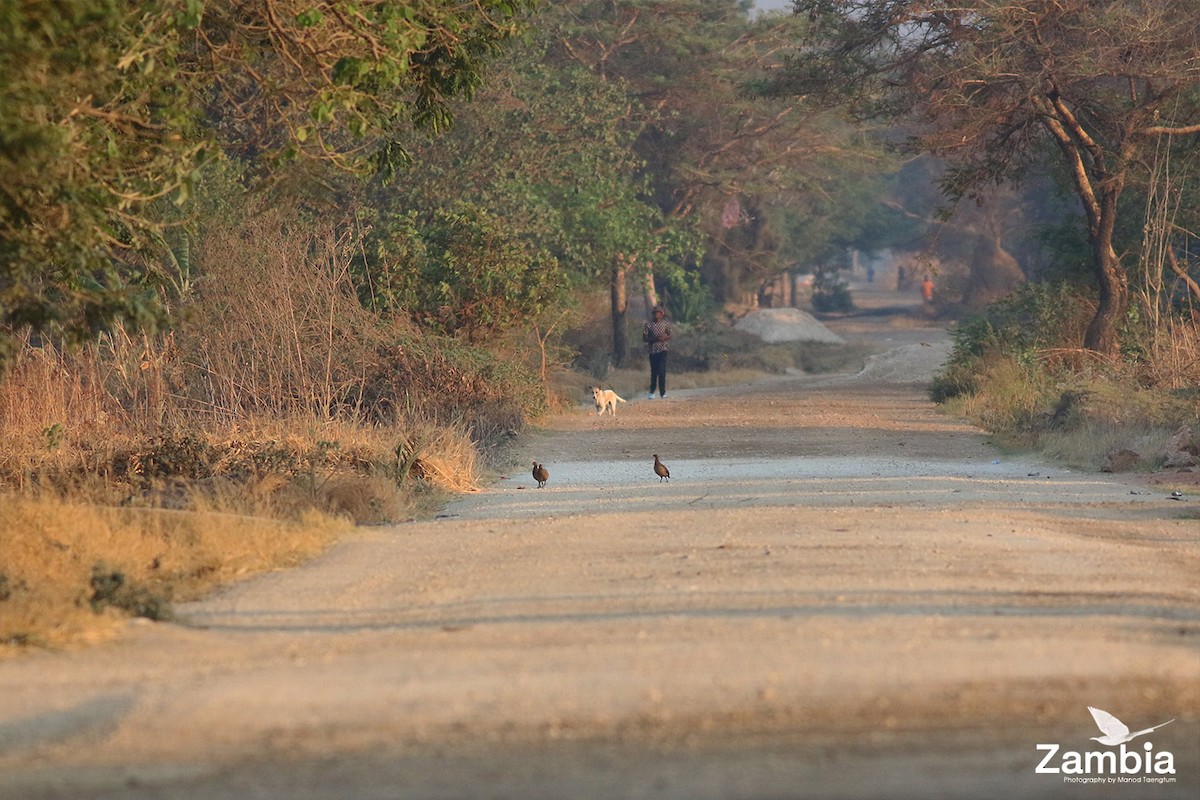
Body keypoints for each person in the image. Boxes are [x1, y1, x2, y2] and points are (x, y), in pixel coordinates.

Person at [642, 305, 672, 399]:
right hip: (653, 351)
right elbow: (644, 338)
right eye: (655, 313)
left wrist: (664, 337)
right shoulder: (648, 325)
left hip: (663, 349)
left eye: (658, 313)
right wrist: (654, 339)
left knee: (662, 371)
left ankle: (663, 393)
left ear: (661, 314)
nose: (656, 315)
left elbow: (670, 335)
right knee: (654, 372)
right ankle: (652, 391)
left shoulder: (666, 324)